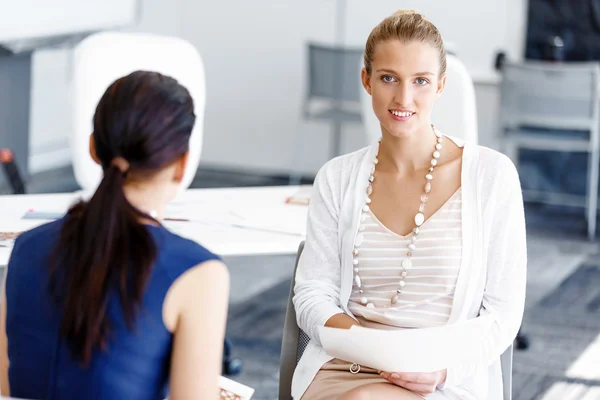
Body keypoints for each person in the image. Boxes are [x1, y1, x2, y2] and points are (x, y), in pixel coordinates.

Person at [292, 9, 526, 400]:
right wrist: (371, 348)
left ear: (440, 86)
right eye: (388, 78)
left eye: (420, 81)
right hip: (344, 365)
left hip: (440, 374)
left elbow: (502, 314)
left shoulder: (492, 176)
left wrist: (442, 370)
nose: (403, 98)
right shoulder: (336, 178)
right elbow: (312, 294)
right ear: (366, 80)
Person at [0, 71, 230, 400]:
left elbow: (7, 387)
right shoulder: (199, 272)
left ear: (93, 148)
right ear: (182, 165)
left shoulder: (26, 248)